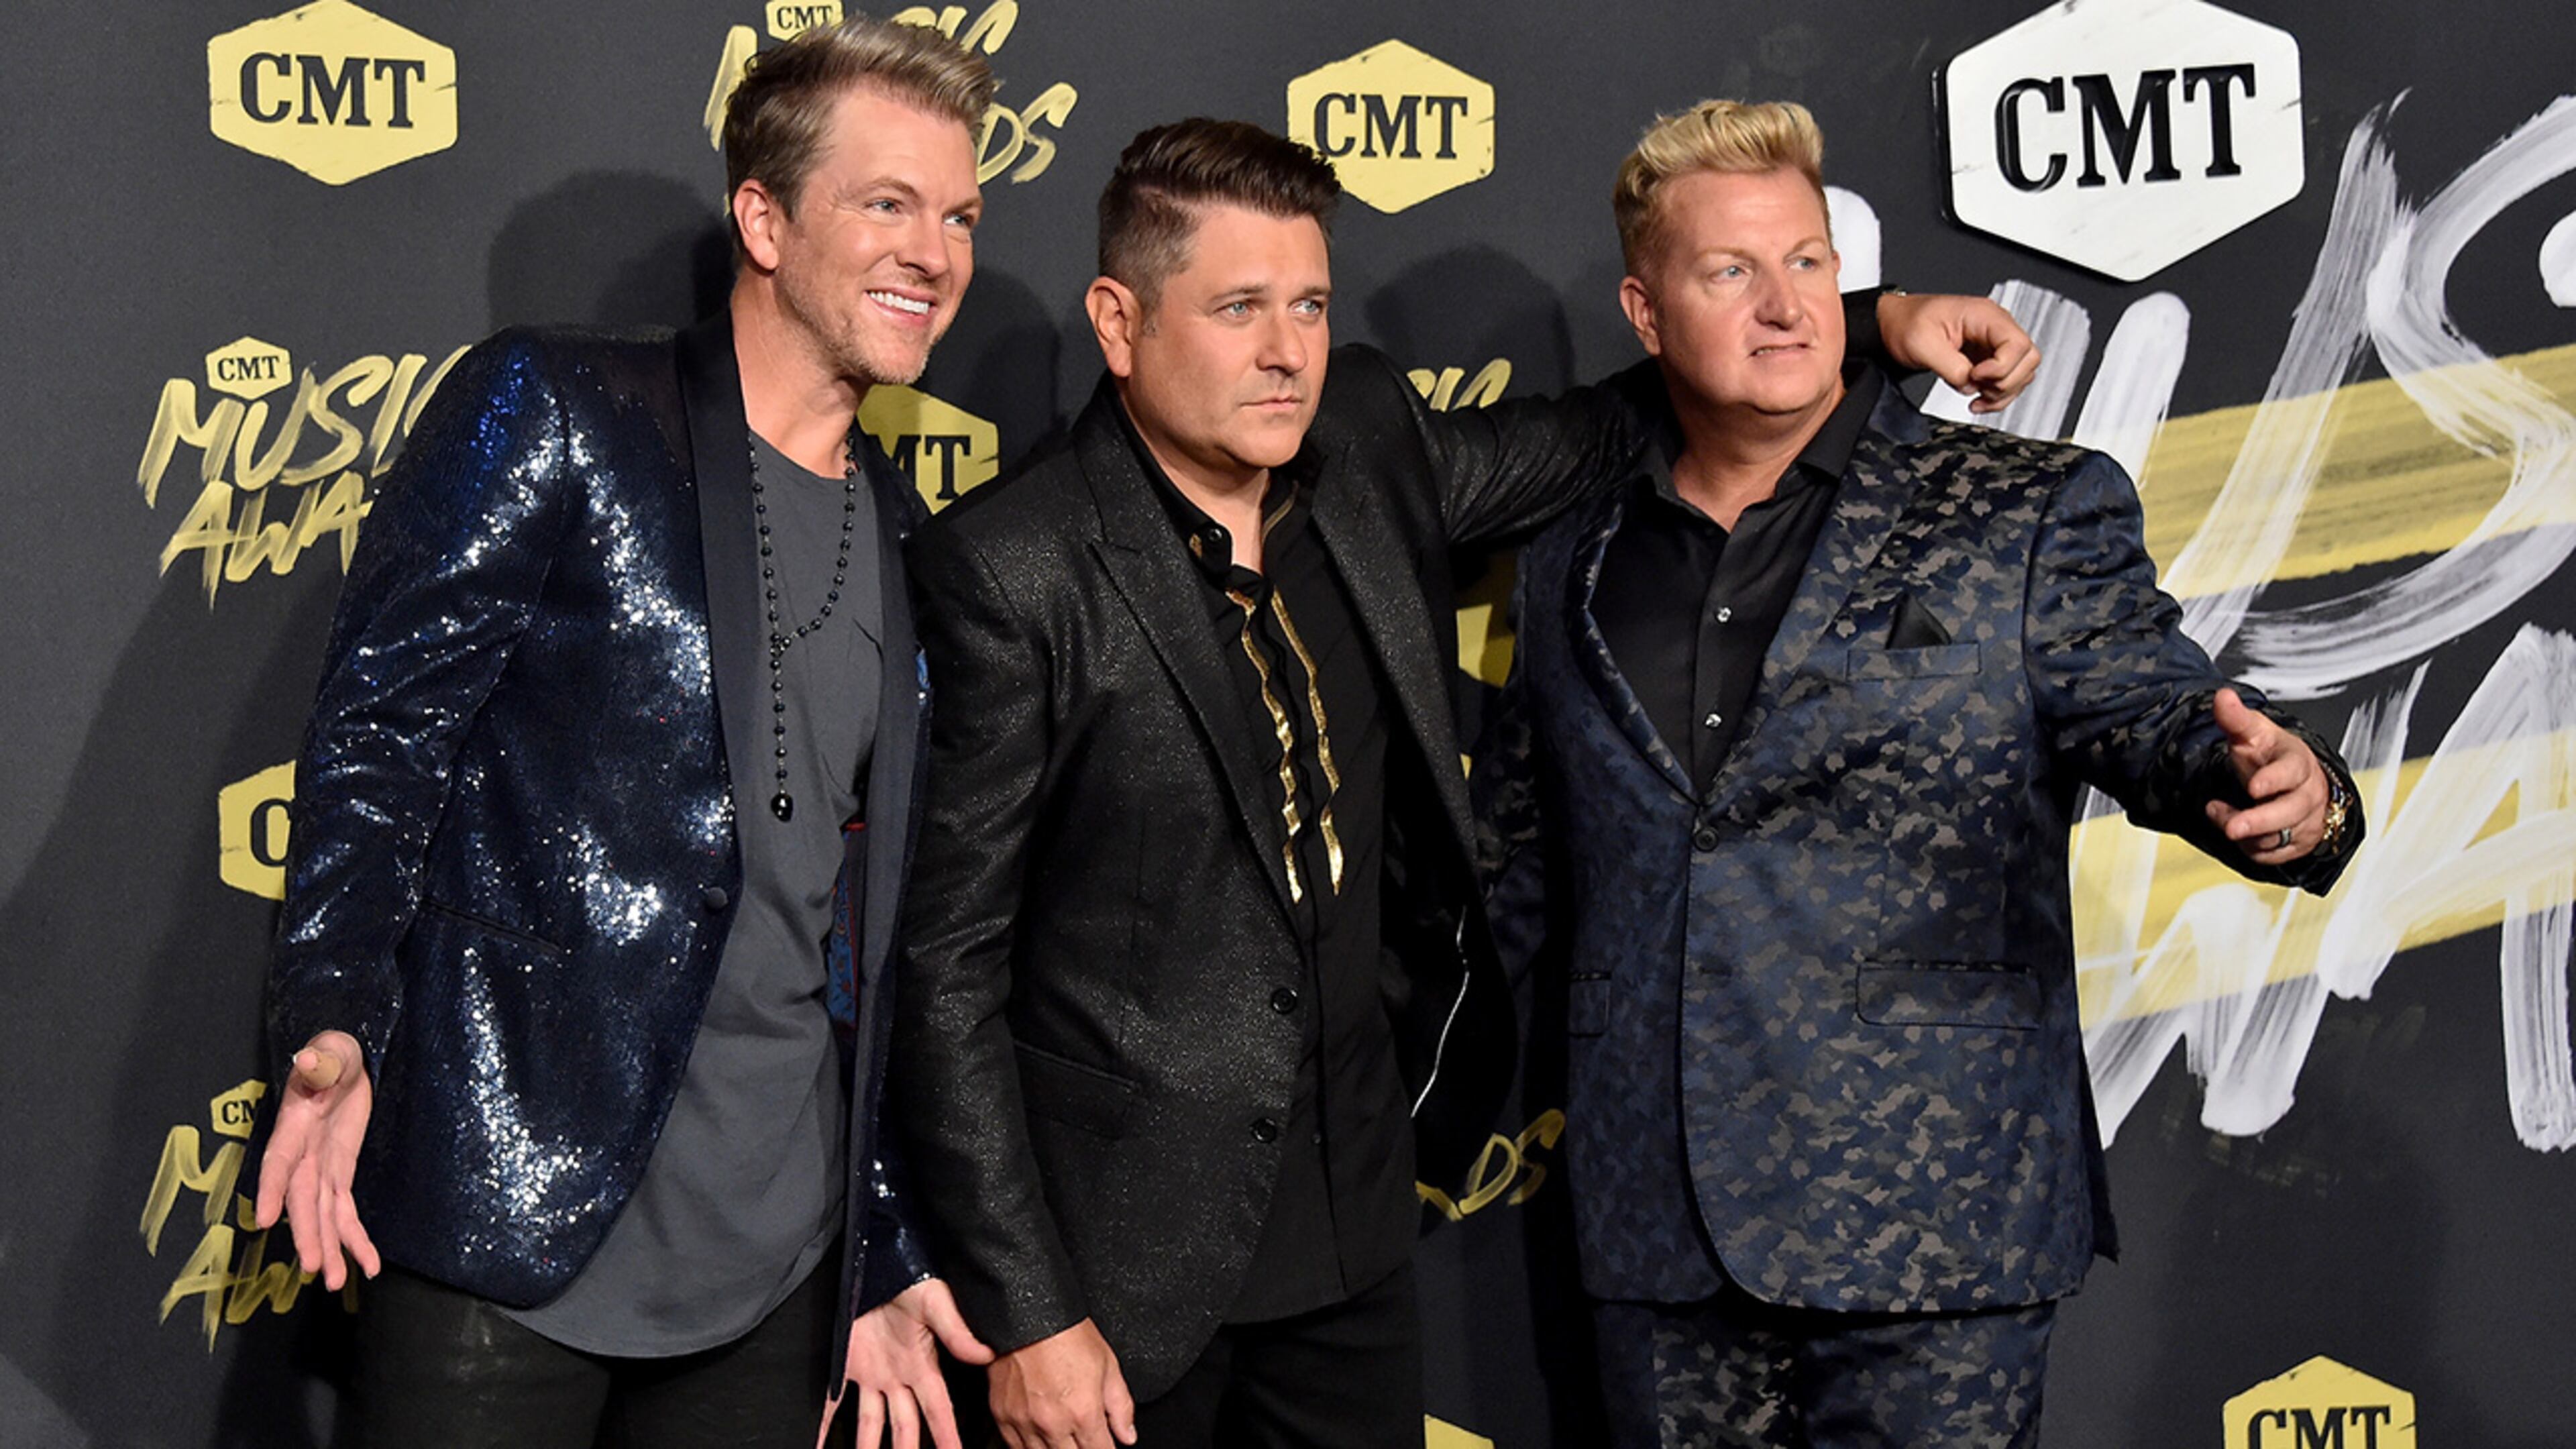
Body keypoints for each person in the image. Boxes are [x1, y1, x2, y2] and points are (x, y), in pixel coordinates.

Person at [889, 117, 2039, 1449]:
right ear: (1121, 319)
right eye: (1240, 308)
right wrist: (1030, 1311)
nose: (1286, 351)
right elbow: (945, 975)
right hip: (1122, 1280)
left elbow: (1610, 423)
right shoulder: (1012, 566)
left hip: (1357, 1247)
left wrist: (1869, 318)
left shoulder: (1364, 438)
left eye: (1310, 304)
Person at [1475, 99, 2365, 1448]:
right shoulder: (1570, 559)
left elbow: (2156, 711)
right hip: (1656, 1233)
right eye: (1732, 273)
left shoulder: (2023, 511)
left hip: (1937, 1234)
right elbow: (1528, 863)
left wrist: (2288, 802)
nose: (1785, 307)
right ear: (1645, 313)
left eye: (1813, 266)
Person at [254, 17, 997, 1448]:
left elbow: (875, 937)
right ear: (765, 219)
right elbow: (378, 739)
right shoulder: (563, 409)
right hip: (506, 1233)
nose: (937, 251)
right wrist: (333, 1014)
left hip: (771, 1278)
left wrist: (877, 1243)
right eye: (888, 204)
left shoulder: (910, 536)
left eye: (959, 214)